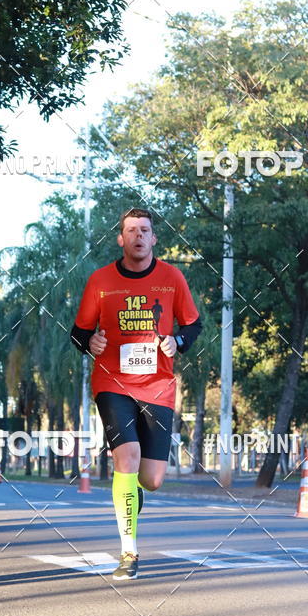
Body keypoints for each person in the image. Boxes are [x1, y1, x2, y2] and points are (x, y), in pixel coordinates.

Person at [71, 207, 201, 580]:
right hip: (112, 383)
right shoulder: (100, 281)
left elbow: (193, 325)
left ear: (154, 238)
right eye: (131, 231)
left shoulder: (171, 278)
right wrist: (89, 341)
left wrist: (177, 341)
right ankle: (129, 552)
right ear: (121, 238)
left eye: (145, 230)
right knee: (126, 457)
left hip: (158, 387)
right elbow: (79, 331)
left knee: (152, 479)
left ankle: (133, 492)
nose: (138, 236)